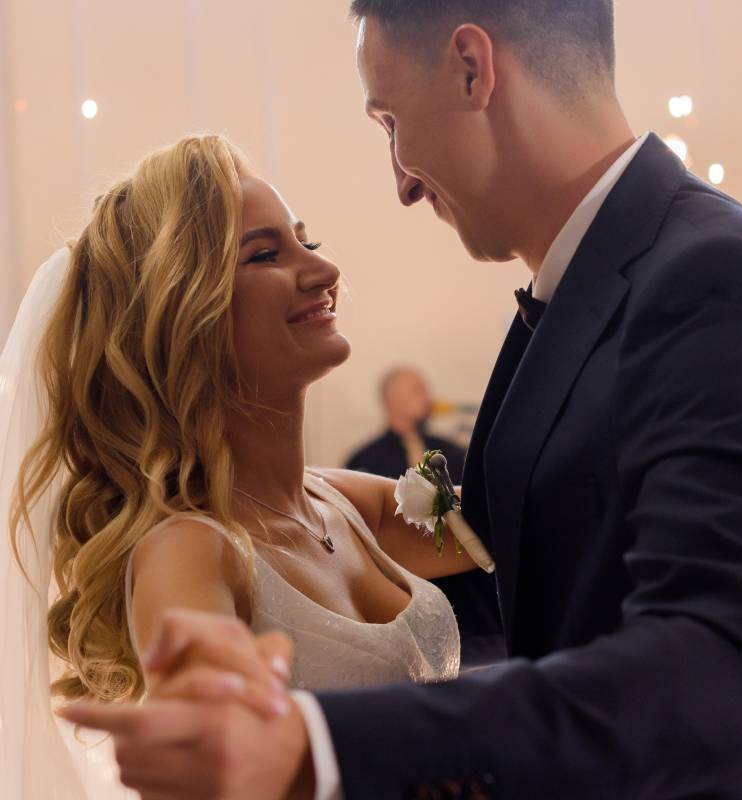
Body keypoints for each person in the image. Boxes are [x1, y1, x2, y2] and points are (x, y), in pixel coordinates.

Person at [65, 1, 742, 798]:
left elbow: (725, 670)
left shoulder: (711, 280)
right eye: (269, 252)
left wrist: (321, 741)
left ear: (472, 68)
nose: (402, 183)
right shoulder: (582, 308)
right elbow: (528, 585)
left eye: (389, 121)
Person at [0, 134, 488, 799]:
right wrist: (204, 697)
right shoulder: (189, 550)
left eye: (306, 243)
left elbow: (520, 512)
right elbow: (203, 713)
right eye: (265, 254)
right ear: (183, 318)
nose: (323, 271)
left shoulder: (349, 507)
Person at [346, 366, 505, 667]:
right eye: (418, 390)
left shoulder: (455, 453)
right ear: (391, 399)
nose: (429, 397)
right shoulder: (363, 460)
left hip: (468, 602)